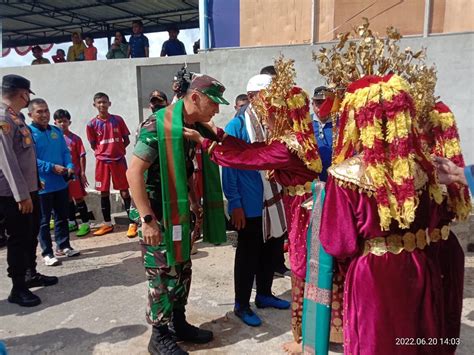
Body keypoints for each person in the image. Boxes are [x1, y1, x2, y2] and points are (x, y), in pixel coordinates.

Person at [184, 58, 322, 354]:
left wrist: (207, 143)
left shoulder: (289, 141)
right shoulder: (250, 125)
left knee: (291, 261)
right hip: (254, 203)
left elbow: (253, 156)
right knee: (251, 253)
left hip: (288, 206)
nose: (267, 113)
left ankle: (303, 333)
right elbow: (247, 153)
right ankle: (243, 303)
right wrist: (217, 137)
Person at [318, 73, 452, 355]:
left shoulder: (345, 175)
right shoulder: (423, 169)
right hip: (417, 265)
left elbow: (338, 242)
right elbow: (437, 219)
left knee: (377, 341)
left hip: (373, 274)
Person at [127, 74, 228, 355]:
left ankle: (178, 323)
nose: (216, 110)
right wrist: (147, 220)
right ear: (195, 97)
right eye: (213, 103)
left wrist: (194, 202)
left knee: (182, 267)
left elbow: (185, 168)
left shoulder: (189, 126)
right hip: (157, 212)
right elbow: (133, 173)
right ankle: (158, 336)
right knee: (162, 272)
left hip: (179, 209)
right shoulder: (158, 124)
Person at [223, 74, 290, 327]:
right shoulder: (237, 127)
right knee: (248, 254)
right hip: (249, 204)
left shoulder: (275, 123)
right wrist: (235, 203)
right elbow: (228, 168)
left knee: (271, 250)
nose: (273, 101)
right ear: (252, 97)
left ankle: (264, 294)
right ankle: (241, 304)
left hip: (273, 199)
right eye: (267, 96)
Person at [1, 75, 58, 307]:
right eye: (27, 95)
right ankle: (18, 287)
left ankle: (30, 273)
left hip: (29, 188)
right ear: (23, 93)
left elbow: (26, 155)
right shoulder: (4, 118)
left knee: (30, 233)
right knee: (18, 238)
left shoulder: (16, 117)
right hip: (13, 194)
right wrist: (21, 194)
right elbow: (6, 160)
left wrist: (34, 181)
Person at [28, 98, 81, 266]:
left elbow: (65, 152)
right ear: (30, 114)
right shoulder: (28, 133)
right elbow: (29, 159)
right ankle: (47, 253)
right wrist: (51, 167)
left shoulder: (56, 131)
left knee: (61, 217)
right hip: (42, 185)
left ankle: (64, 245)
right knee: (43, 222)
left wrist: (70, 165)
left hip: (61, 183)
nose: (44, 115)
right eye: (39, 112)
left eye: (46, 111)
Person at [86, 92, 137, 238]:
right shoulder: (91, 124)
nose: (102, 105)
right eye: (99, 102)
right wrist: (103, 152)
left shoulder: (118, 120)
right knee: (103, 191)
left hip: (118, 160)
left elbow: (126, 140)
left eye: (104, 102)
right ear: (94, 105)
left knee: (125, 191)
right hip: (102, 161)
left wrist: (117, 150)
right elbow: (93, 144)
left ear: (109, 103)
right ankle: (108, 224)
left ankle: (132, 223)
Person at [53, 109, 91, 237]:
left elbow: (82, 156)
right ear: (55, 123)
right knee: (67, 199)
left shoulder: (75, 139)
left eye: (65, 121)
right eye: (59, 122)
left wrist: (83, 173)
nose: (62, 124)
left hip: (73, 174)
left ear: (69, 122)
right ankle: (72, 221)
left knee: (78, 198)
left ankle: (85, 223)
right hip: (60, 175)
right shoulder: (54, 139)